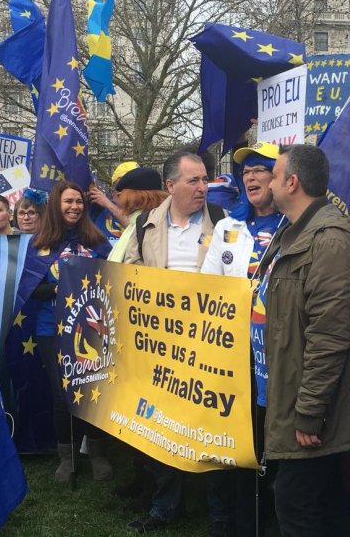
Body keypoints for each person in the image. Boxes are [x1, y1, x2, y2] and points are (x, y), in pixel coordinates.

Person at [257, 144, 350, 537]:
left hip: (318, 411)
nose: (267, 183)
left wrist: (309, 410)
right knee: (311, 502)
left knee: (296, 503)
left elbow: (330, 334)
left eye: (273, 176)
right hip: (300, 399)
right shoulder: (296, 233)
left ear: (292, 182)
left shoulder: (328, 240)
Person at [122, 150, 228, 534]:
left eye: (205, 180)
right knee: (161, 426)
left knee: (213, 427)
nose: (203, 187)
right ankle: (165, 505)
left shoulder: (223, 222)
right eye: (194, 181)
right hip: (159, 347)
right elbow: (129, 276)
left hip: (210, 346)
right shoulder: (143, 225)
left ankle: (220, 512)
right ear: (170, 185)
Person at [201, 142, 286, 536]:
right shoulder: (227, 227)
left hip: (277, 354)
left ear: (280, 177)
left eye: (260, 169)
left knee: (268, 435)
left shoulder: (292, 227)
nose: (250, 177)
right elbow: (208, 284)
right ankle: (227, 515)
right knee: (230, 433)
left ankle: (267, 514)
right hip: (230, 353)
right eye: (246, 171)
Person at [14, 181, 114, 483]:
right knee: (63, 395)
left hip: (93, 328)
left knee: (93, 390)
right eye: (68, 201)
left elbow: (113, 276)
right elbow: (30, 291)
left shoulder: (97, 240)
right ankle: (67, 459)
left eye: (79, 202)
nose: (75, 207)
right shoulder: (41, 245)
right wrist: (60, 287)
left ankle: (97, 454)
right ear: (56, 205)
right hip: (52, 330)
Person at [105, 166, 166, 263]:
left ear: (132, 197)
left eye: (120, 195)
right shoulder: (134, 224)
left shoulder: (149, 225)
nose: (117, 199)